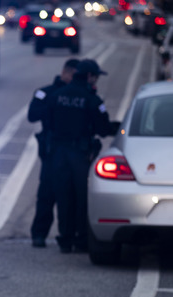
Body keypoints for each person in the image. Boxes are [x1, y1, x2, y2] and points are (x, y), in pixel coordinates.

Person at [46, 59, 120, 253]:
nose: (96, 81)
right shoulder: (92, 100)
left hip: (59, 154)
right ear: (88, 76)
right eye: (95, 77)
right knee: (82, 197)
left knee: (63, 196)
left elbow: (47, 120)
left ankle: (65, 238)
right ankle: (81, 238)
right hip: (80, 155)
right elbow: (103, 129)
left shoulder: (57, 95)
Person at [27, 58, 80, 248]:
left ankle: (69, 235)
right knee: (47, 193)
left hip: (72, 152)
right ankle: (39, 233)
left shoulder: (79, 95)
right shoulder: (47, 92)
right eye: (74, 75)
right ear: (65, 73)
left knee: (70, 195)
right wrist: (54, 103)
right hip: (51, 150)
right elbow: (32, 114)